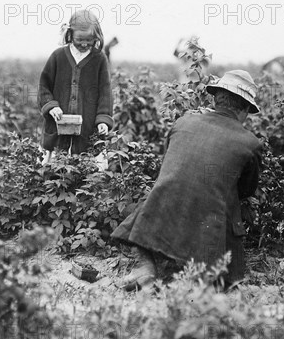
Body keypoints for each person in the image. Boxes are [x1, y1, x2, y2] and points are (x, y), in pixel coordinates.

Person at [111, 70, 262, 290]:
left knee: (160, 192)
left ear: (215, 98)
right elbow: (247, 190)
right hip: (208, 226)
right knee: (224, 203)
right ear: (246, 109)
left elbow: (170, 166)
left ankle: (146, 267)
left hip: (162, 208)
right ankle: (191, 279)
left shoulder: (183, 122)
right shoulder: (250, 143)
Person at [38, 10, 114, 161]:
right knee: (55, 172)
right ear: (70, 34)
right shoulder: (58, 56)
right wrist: (51, 106)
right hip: (58, 129)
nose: (84, 43)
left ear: (97, 37)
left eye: (90, 40)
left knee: (86, 171)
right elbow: (44, 86)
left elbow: (105, 92)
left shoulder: (99, 59)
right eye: (80, 39)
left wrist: (103, 120)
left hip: (87, 129)